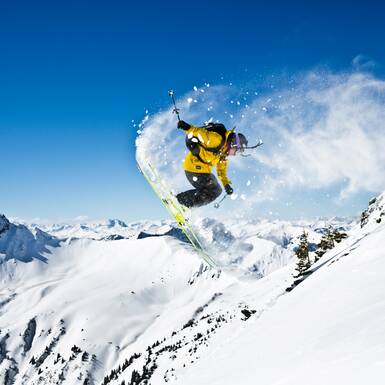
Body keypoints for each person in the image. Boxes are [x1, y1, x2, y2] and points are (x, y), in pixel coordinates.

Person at [176, 120, 248, 208]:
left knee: (215, 190)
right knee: (214, 190)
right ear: (233, 144)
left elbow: (221, 171)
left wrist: (226, 185)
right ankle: (181, 201)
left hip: (202, 171)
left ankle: (186, 203)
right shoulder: (217, 140)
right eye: (237, 151)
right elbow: (199, 133)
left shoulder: (223, 154)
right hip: (193, 166)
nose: (235, 154)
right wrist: (187, 127)